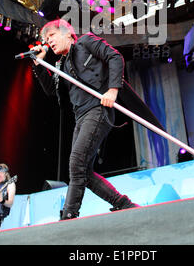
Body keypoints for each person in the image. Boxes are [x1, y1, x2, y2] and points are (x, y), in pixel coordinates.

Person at [32, 19, 141, 220]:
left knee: (76, 163)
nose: (49, 42)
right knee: (84, 172)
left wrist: (113, 90)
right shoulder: (60, 64)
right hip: (81, 117)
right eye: (46, 39)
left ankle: (69, 214)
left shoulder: (86, 42)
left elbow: (115, 57)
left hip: (98, 109)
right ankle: (123, 204)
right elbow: (50, 91)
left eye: (52, 36)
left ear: (66, 33)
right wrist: (39, 64)